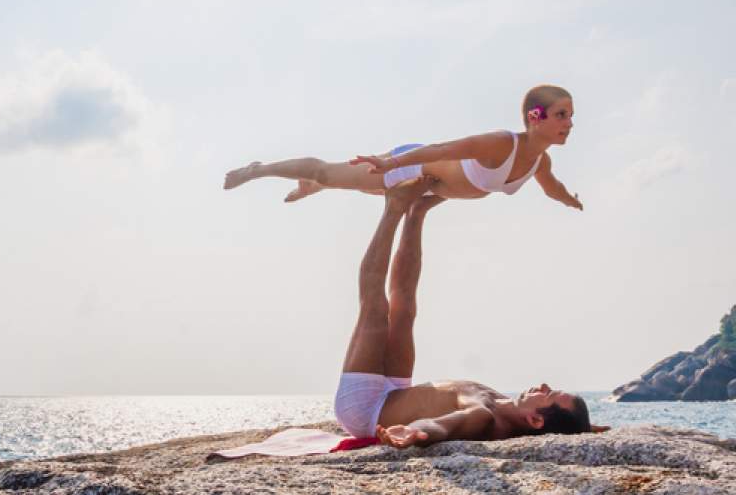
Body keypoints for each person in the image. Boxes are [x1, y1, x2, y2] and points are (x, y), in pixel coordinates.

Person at [335, 177, 603, 448]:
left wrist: (414, 432)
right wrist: (583, 428)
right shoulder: (505, 405)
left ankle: (393, 208)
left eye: (549, 394)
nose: (544, 385)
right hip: (396, 392)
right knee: (404, 308)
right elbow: (561, 427)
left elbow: (444, 425)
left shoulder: (483, 415)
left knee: (375, 309)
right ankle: (416, 211)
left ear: (535, 420)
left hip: (366, 408)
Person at [224, 85, 582, 210]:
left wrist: (571, 201)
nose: (568, 123)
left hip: (422, 187)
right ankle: (258, 170)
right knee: (326, 172)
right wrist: (389, 160)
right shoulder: (501, 143)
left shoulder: (540, 162)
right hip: (410, 167)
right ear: (535, 118)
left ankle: (316, 186)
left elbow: (554, 189)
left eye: (571, 115)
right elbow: (441, 150)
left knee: (338, 182)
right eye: (561, 114)